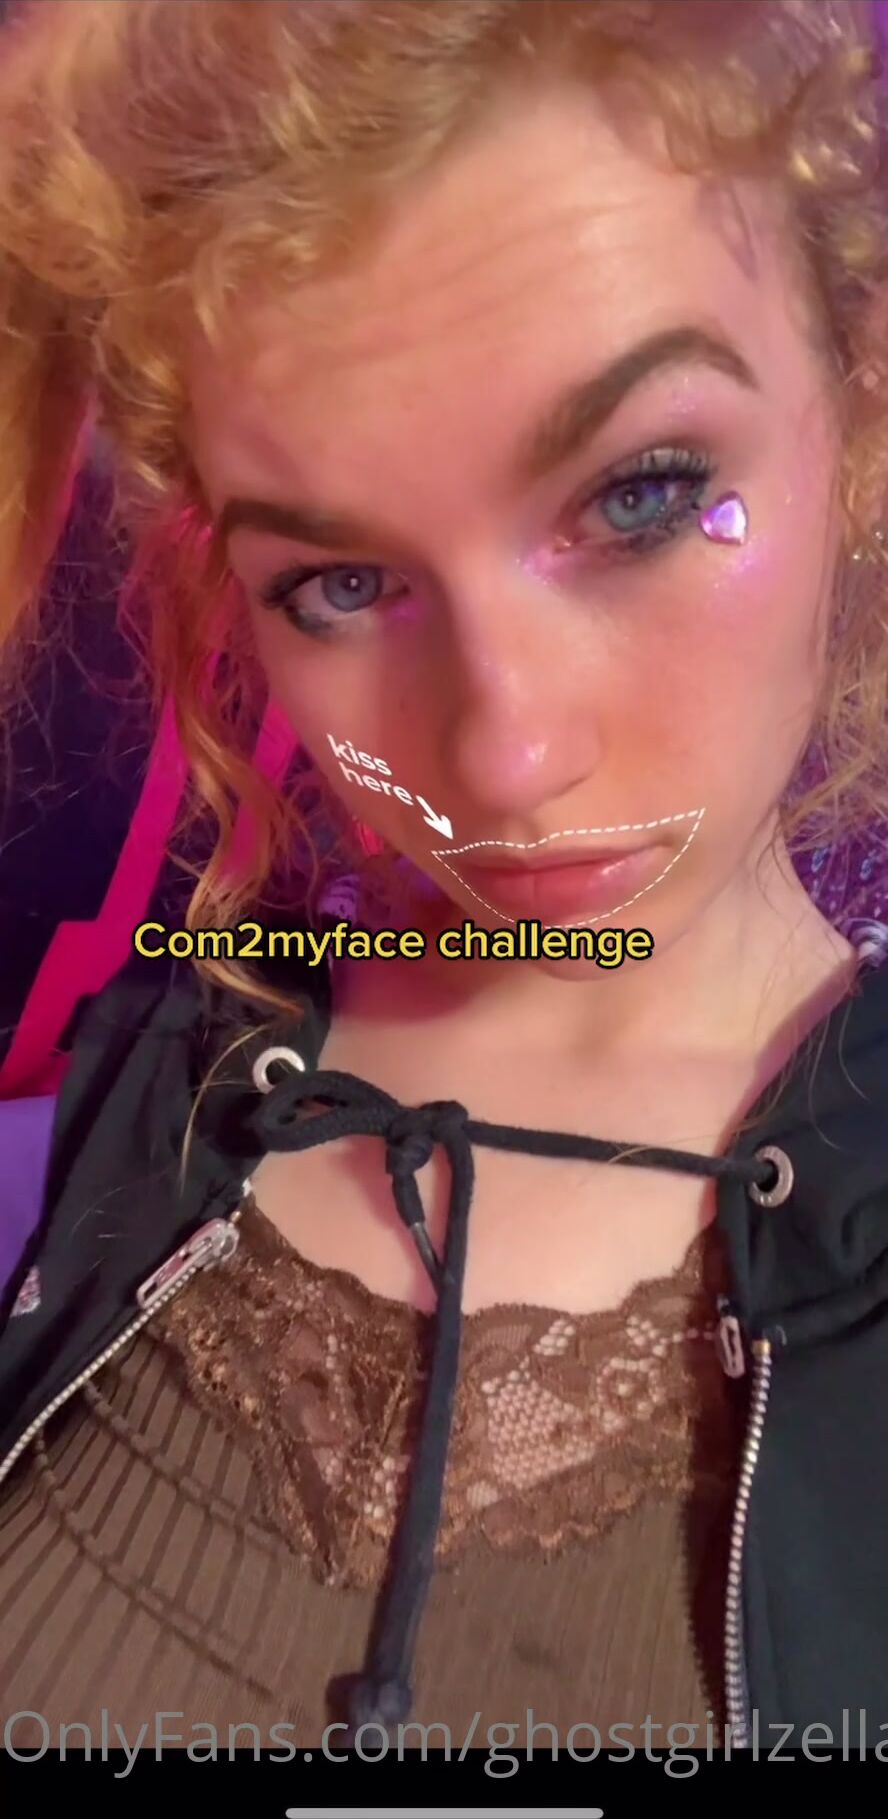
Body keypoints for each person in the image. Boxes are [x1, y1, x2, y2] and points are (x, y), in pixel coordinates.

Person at [2, 0, 888, 1756]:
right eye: (341, 584)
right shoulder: (176, 1066)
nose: (506, 757)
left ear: (854, 423)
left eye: (644, 495)